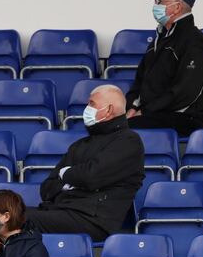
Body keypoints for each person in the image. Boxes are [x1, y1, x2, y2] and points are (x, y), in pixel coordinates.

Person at [25, 84, 144, 241]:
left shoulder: (129, 141)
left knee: (10, 220)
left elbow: (91, 176)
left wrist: (65, 174)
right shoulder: (80, 145)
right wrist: (76, 179)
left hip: (93, 220)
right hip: (59, 211)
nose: (87, 108)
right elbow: (47, 190)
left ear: (108, 110)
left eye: (91, 104)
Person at [125, 0, 203, 136]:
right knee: (106, 125)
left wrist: (145, 111)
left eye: (161, 1)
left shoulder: (194, 41)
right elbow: (139, 82)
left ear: (177, 7)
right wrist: (132, 108)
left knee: (124, 130)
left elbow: (185, 92)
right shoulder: (160, 39)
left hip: (187, 118)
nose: (156, 5)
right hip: (154, 114)